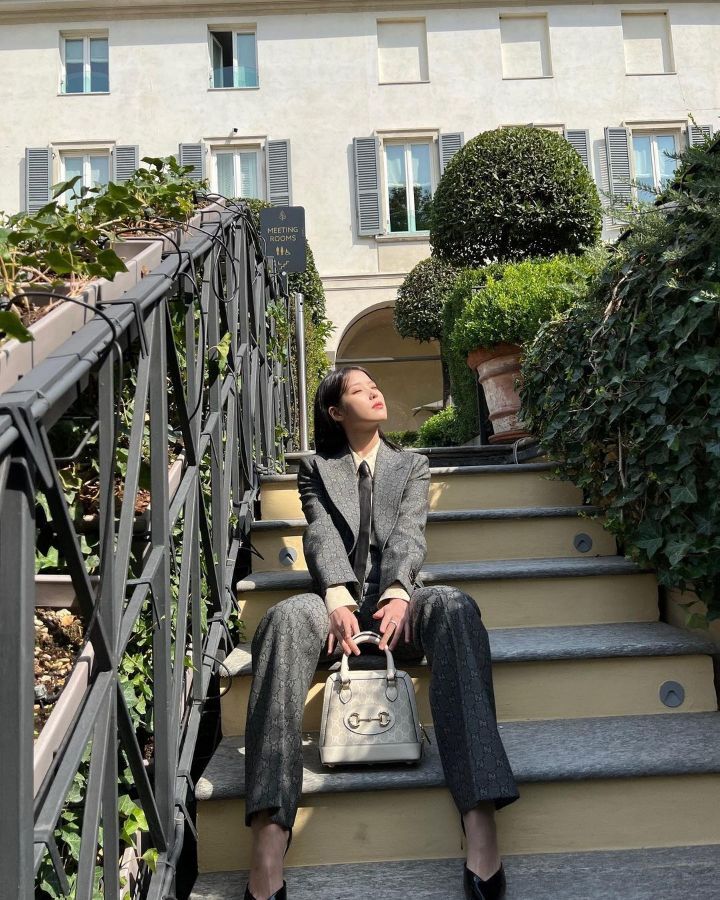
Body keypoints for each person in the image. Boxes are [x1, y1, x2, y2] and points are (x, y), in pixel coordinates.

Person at [243, 366, 519, 900]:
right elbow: (321, 534)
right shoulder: (316, 469)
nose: (374, 392)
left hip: (400, 605)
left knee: (455, 607)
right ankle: (269, 839)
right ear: (335, 411)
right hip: (336, 609)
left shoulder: (411, 464)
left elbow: (411, 531)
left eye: (375, 385)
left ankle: (480, 819)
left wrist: (397, 590)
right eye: (358, 389)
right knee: (282, 620)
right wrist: (336, 595)